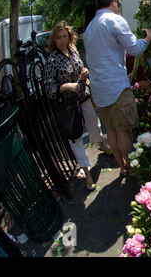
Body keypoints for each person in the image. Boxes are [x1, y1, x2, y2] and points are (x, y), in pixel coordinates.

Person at [83, 0, 151, 177]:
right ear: (113, 2)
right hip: (116, 86)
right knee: (124, 132)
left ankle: (122, 167)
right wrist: (148, 37)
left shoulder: (89, 28)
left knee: (112, 130)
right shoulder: (114, 20)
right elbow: (135, 48)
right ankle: (134, 170)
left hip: (100, 89)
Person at [45, 20, 111, 191]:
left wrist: (85, 73)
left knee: (94, 126)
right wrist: (66, 86)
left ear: (69, 36)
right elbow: (48, 88)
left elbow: (81, 69)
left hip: (83, 97)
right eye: (59, 37)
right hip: (67, 104)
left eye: (64, 36)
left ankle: (101, 145)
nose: (62, 40)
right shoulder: (52, 59)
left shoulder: (73, 51)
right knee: (75, 136)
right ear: (54, 39)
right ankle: (86, 172)